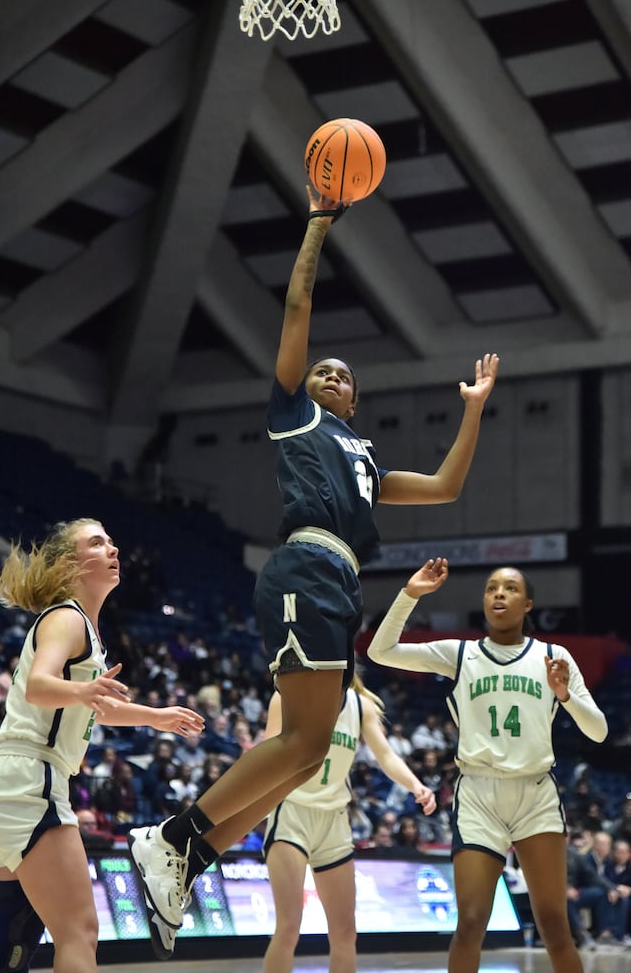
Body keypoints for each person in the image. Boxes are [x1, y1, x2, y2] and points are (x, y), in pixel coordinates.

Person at [127, 185, 499, 959]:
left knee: (304, 753)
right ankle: (173, 835)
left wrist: (471, 410)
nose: (330, 375)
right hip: (301, 565)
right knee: (298, 740)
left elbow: (445, 488)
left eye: (341, 376)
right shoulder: (295, 417)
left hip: (339, 583)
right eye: (322, 370)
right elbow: (296, 310)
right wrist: (317, 227)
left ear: (355, 400)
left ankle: (188, 856)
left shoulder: (362, 457)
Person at [366, 558, 608, 973]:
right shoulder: (460, 654)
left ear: (528, 604)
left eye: (510, 588)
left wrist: (566, 695)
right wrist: (410, 595)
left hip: (535, 796)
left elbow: (599, 731)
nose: (499, 593)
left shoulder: (554, 656)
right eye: (492, 587)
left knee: (554, 925)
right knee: (471, 922)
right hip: (479, 795)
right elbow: (379, 650)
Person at [0, 519, 204, 973]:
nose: (113, 547)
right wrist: (84, 693)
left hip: (8, 783)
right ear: (70, 564)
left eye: (111, 540)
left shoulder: (79, 624)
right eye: (97, 542)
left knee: (14, 940)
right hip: (33, 781)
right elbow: (40, 688)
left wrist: (155, 717)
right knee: (80, 933)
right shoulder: (67, 617)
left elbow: (92, 707)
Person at [261, 673, 435, 973]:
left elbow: (386, 756)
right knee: (289, 929)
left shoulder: (360, 705)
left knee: (345, 934)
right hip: (292, 813)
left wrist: (416, 785)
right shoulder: (287, 697)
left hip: (334, 821)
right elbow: (267, 755)